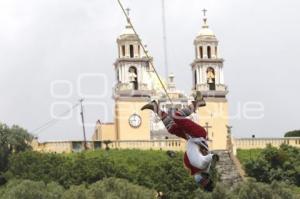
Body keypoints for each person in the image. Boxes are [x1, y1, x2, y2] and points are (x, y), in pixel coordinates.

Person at [141, 91, 219, 191]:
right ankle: (198, 103)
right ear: (207, 179)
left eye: (200, 184)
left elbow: (193, 153)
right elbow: (214, 157)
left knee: (172, 128)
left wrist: (173, 155)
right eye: (202, 182)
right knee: (176, 116)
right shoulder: (202, 164)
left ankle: (154, 107)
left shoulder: (192, 168)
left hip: (191, 138)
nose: (199, 181)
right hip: (198, 135)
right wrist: (212, 165)